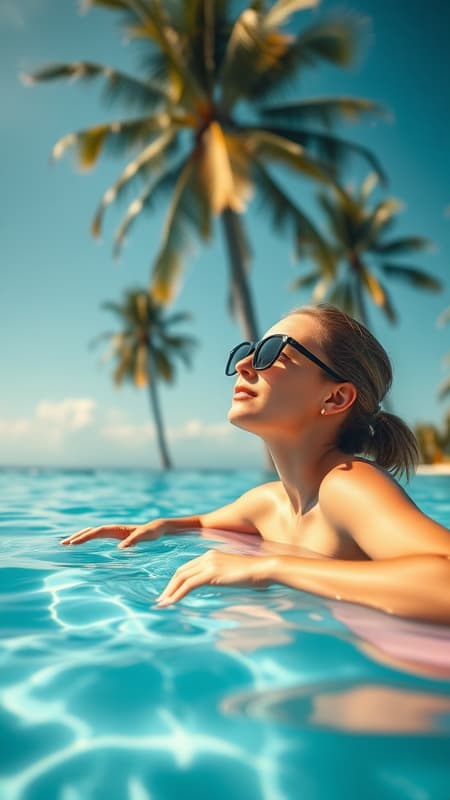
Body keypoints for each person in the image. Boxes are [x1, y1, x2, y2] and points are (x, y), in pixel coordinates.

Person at [62, 305, 450, 623]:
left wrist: (271, 568)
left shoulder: (348, 484)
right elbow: (202, 523)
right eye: (247, 350)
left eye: (272, 352)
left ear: (335, 399)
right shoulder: (269, 502)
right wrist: (158, 528)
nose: (245, 364)